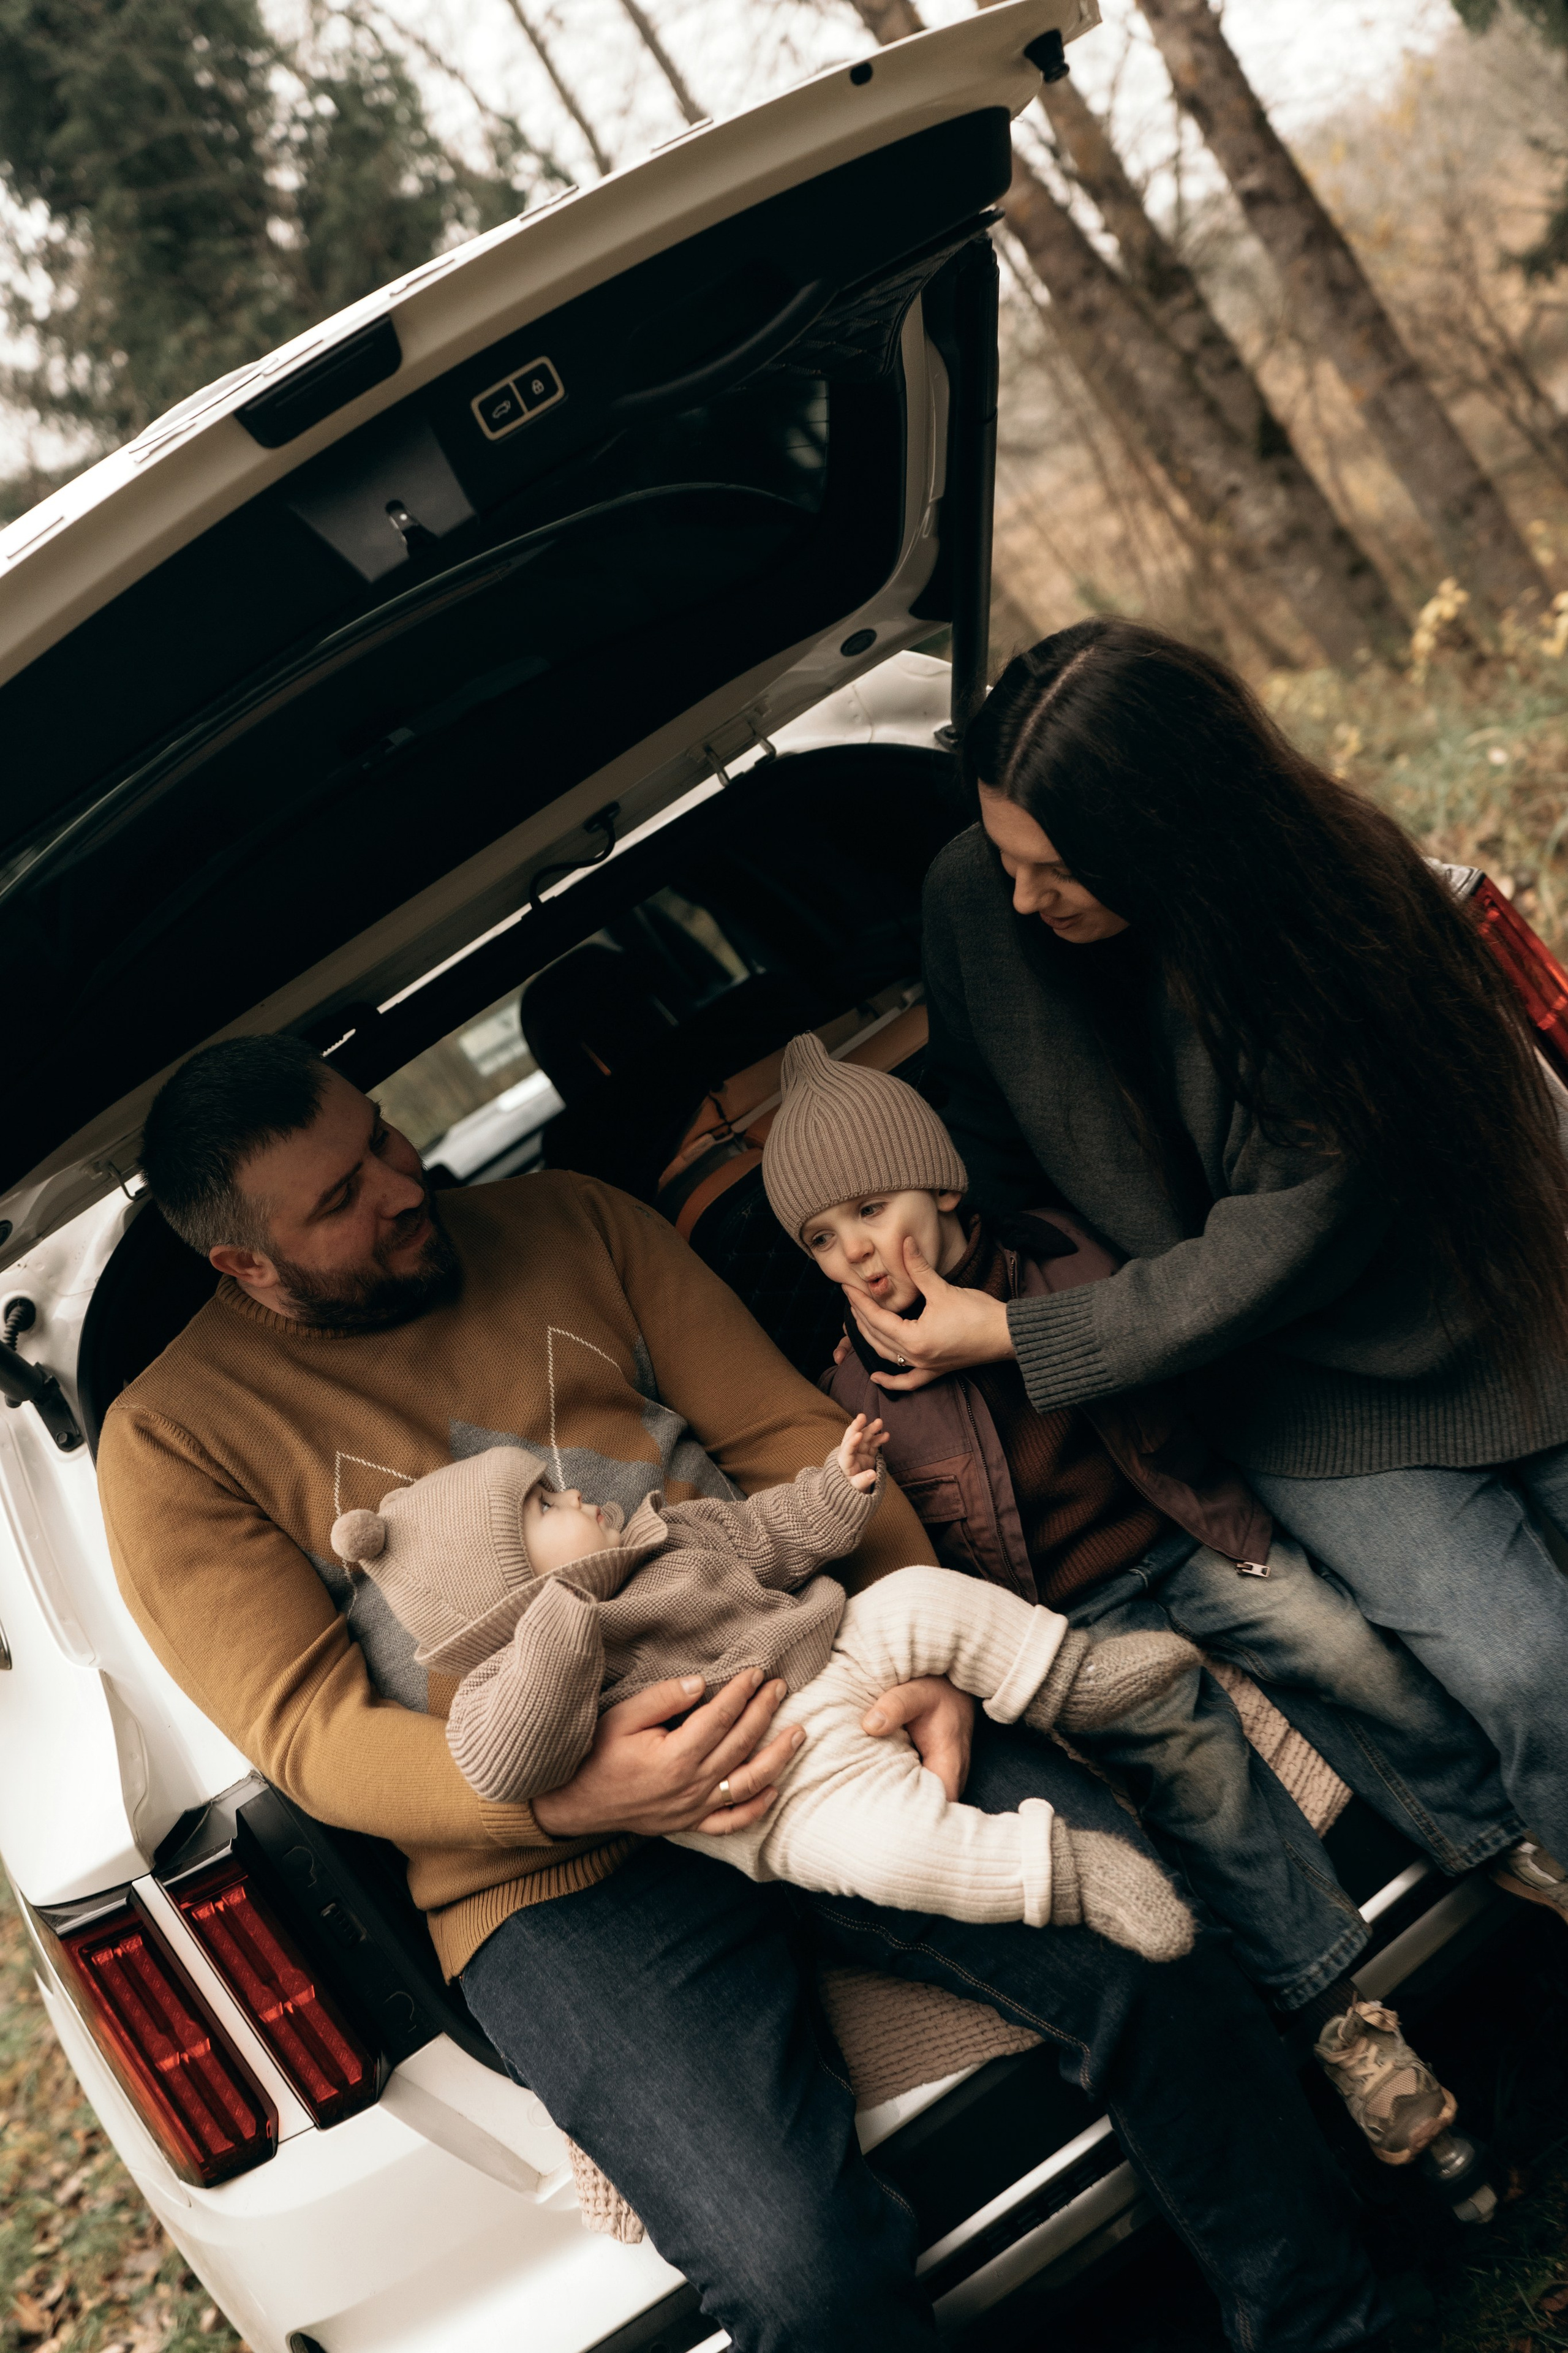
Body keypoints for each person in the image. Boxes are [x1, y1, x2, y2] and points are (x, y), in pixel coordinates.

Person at [97, 1032, 1399, 2353]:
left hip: (807, 1684)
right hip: (554, 1873)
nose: (398, 1184)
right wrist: (570, 1797)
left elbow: (791, 1443)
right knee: (799, 2271)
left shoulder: (568, 1219)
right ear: (245, 1264)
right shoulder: (170, 1439)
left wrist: (916, 1649)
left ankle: (1327, 2323)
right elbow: (315, 1733)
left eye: (381, 1135)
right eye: (339, 1198)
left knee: (1150, 1953)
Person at [843, 616, 1568, 1936]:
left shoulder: (1339, 914)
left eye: (1056, 867)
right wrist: (969, 1265)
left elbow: (1284, 1235)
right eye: (1004, 856)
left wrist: (1023, 1335)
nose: (1022, 897)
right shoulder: (974, 901)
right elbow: (989, 1135)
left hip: (1482, 1311)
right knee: (1537, 1674)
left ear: (1174, 839)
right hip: (1294, 1401)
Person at [762, 1029, 1526, 2163]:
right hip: (1075, 1612)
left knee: (1335, 1639)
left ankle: (1501, 1832)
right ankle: (1341, 2017)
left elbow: (1172, 1367)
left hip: (1188, 1528)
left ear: (944, 1184)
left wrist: (1008, 1341)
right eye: (822, 1239)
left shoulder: (1060, 1255)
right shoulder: (854, 1385)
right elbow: (909, 1556)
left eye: (872, 1210)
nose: (857, 1253)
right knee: (1186, 1751)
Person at [328, 1414, 1199, 1954]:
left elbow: (770, 1536)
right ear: (510, 1589)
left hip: (835, 1645)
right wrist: (555, 1622)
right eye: (547, 1509)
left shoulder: (666, 1536)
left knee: (921, 1598)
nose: (580, 1496)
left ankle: (1070, 1676)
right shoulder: (516, 1677)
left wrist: (838, 1486)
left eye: (555, 1489)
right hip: (784, 1783)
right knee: (892, 1853)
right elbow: (502, 1764)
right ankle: (1067, 1874)